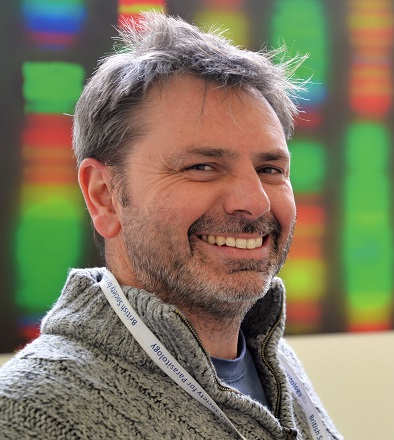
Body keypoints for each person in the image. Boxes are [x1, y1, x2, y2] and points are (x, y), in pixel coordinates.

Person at [0, 12, 340, 439]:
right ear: (104, 196)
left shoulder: (273, 362)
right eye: (202, 166)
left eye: (270, 169)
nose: (253, 202)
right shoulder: (30, 415)